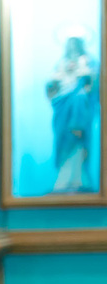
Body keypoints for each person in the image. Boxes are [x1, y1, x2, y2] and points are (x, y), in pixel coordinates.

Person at [46, 34, 98, 193]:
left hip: (79, 112)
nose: (73, 47)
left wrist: (82, 74)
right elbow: (53, 85)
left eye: (76, 43)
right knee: (64, 142)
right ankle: (62, 182)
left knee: (78, 143)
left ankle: (79, 180)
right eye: (70, 44)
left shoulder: (87, 61)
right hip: (63, 107)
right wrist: (56, 80)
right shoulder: (61, 63)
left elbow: (92, 84)